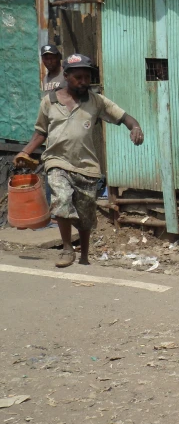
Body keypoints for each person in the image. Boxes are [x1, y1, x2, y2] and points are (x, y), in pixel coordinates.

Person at [14, 54, 144, 268]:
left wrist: (135, 128)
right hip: (57, 161)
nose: (84, 82)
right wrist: (24, 152)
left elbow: (125, 117)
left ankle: (84, 255)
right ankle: (67, 248)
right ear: (66, 76)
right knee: (61, 200)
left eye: (87, 77)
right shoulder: (49, 101)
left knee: (85, 217)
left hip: (86, 166)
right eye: (79, 77)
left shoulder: (96, 101)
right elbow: (40, 133)